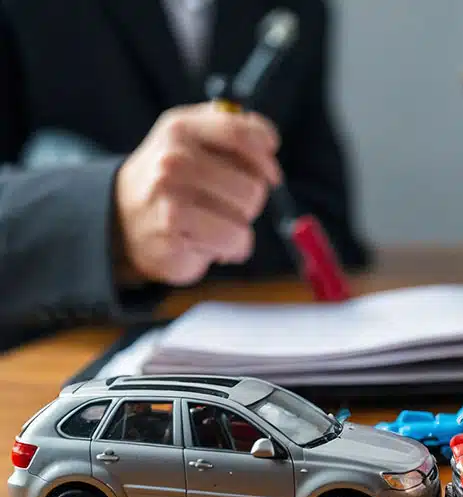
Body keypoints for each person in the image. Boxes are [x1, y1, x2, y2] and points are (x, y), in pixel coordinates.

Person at [0, 0, 371, 351]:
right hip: (58, 349)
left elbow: (327, 217)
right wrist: (108, 218)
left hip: (251, 330)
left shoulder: (296, 9)